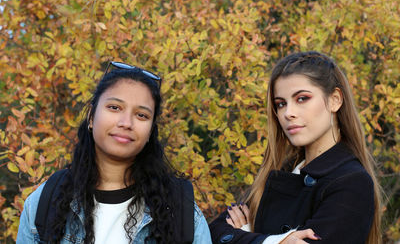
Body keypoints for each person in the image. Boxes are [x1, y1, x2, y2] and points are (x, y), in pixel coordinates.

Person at [17, 62, 212, 243]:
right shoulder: (44, 203)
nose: (126, 123)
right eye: (114, 107)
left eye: (141, 115)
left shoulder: (182, 212)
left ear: (150, 131)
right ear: (92, 117)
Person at [209, 51, 382, 244]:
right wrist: (276, 242)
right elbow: (214, 231)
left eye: (302, 98)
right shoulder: (283, 171)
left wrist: (245, 234)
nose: (288, 113)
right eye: (281, 104)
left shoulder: (351, 181)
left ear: (335, 100)